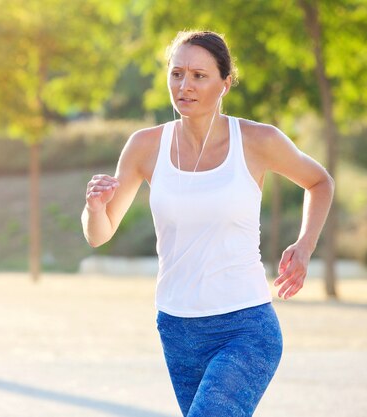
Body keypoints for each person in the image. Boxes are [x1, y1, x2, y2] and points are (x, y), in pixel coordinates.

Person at [81, 30, 334, 417]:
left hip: (245, 327)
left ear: (224, 83)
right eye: (177, 74)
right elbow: (100, 234)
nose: (186, 86)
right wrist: (95, 208)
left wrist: (305, 246)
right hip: (176, 327)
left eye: (199, 76)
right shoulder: (145, 147)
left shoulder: (257, 140)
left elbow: (320, 182)